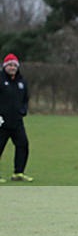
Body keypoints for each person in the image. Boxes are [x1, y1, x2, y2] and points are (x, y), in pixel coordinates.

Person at [0, 53, 33, 183]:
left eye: (14, 65)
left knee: (23, 145)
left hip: (17, 122)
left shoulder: (21, 82)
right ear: (5, 66)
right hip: (1, 122)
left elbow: (25, 99)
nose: (12, 67)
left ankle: (18, 172)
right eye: (10, 65)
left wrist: (23, 110)